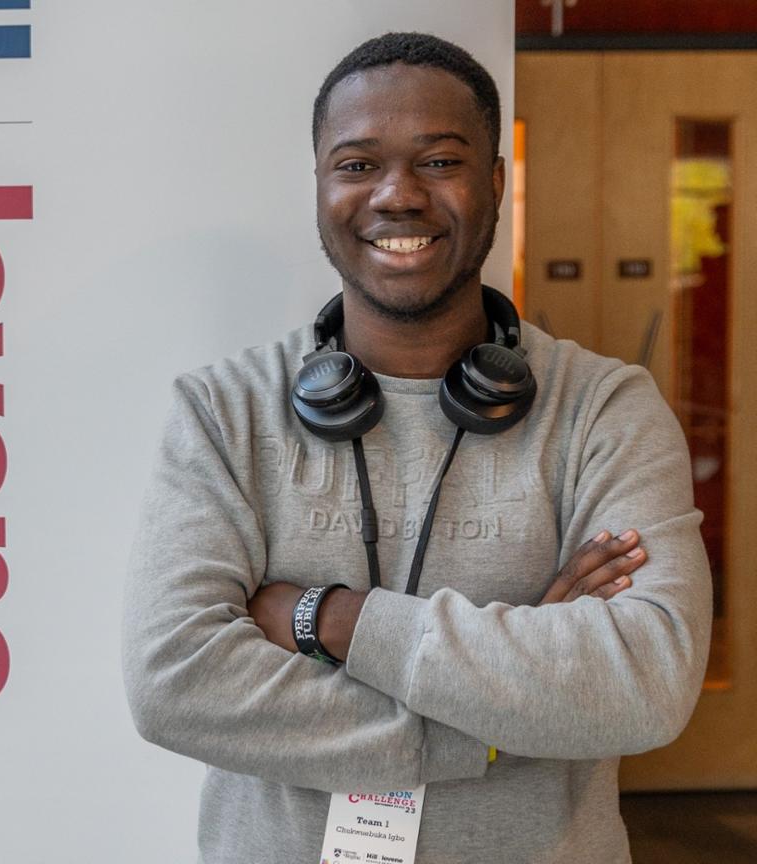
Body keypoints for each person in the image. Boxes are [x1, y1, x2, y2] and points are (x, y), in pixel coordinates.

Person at [122, 32, 711, 864]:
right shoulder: (222, 412)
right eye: (357, 164)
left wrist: (325, 617)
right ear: (321, 186)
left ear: (497, 185)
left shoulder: (605, 410)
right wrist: (499, 720)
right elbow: (175, 681)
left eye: (439, 161)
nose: (396, 195)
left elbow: (645, 683)